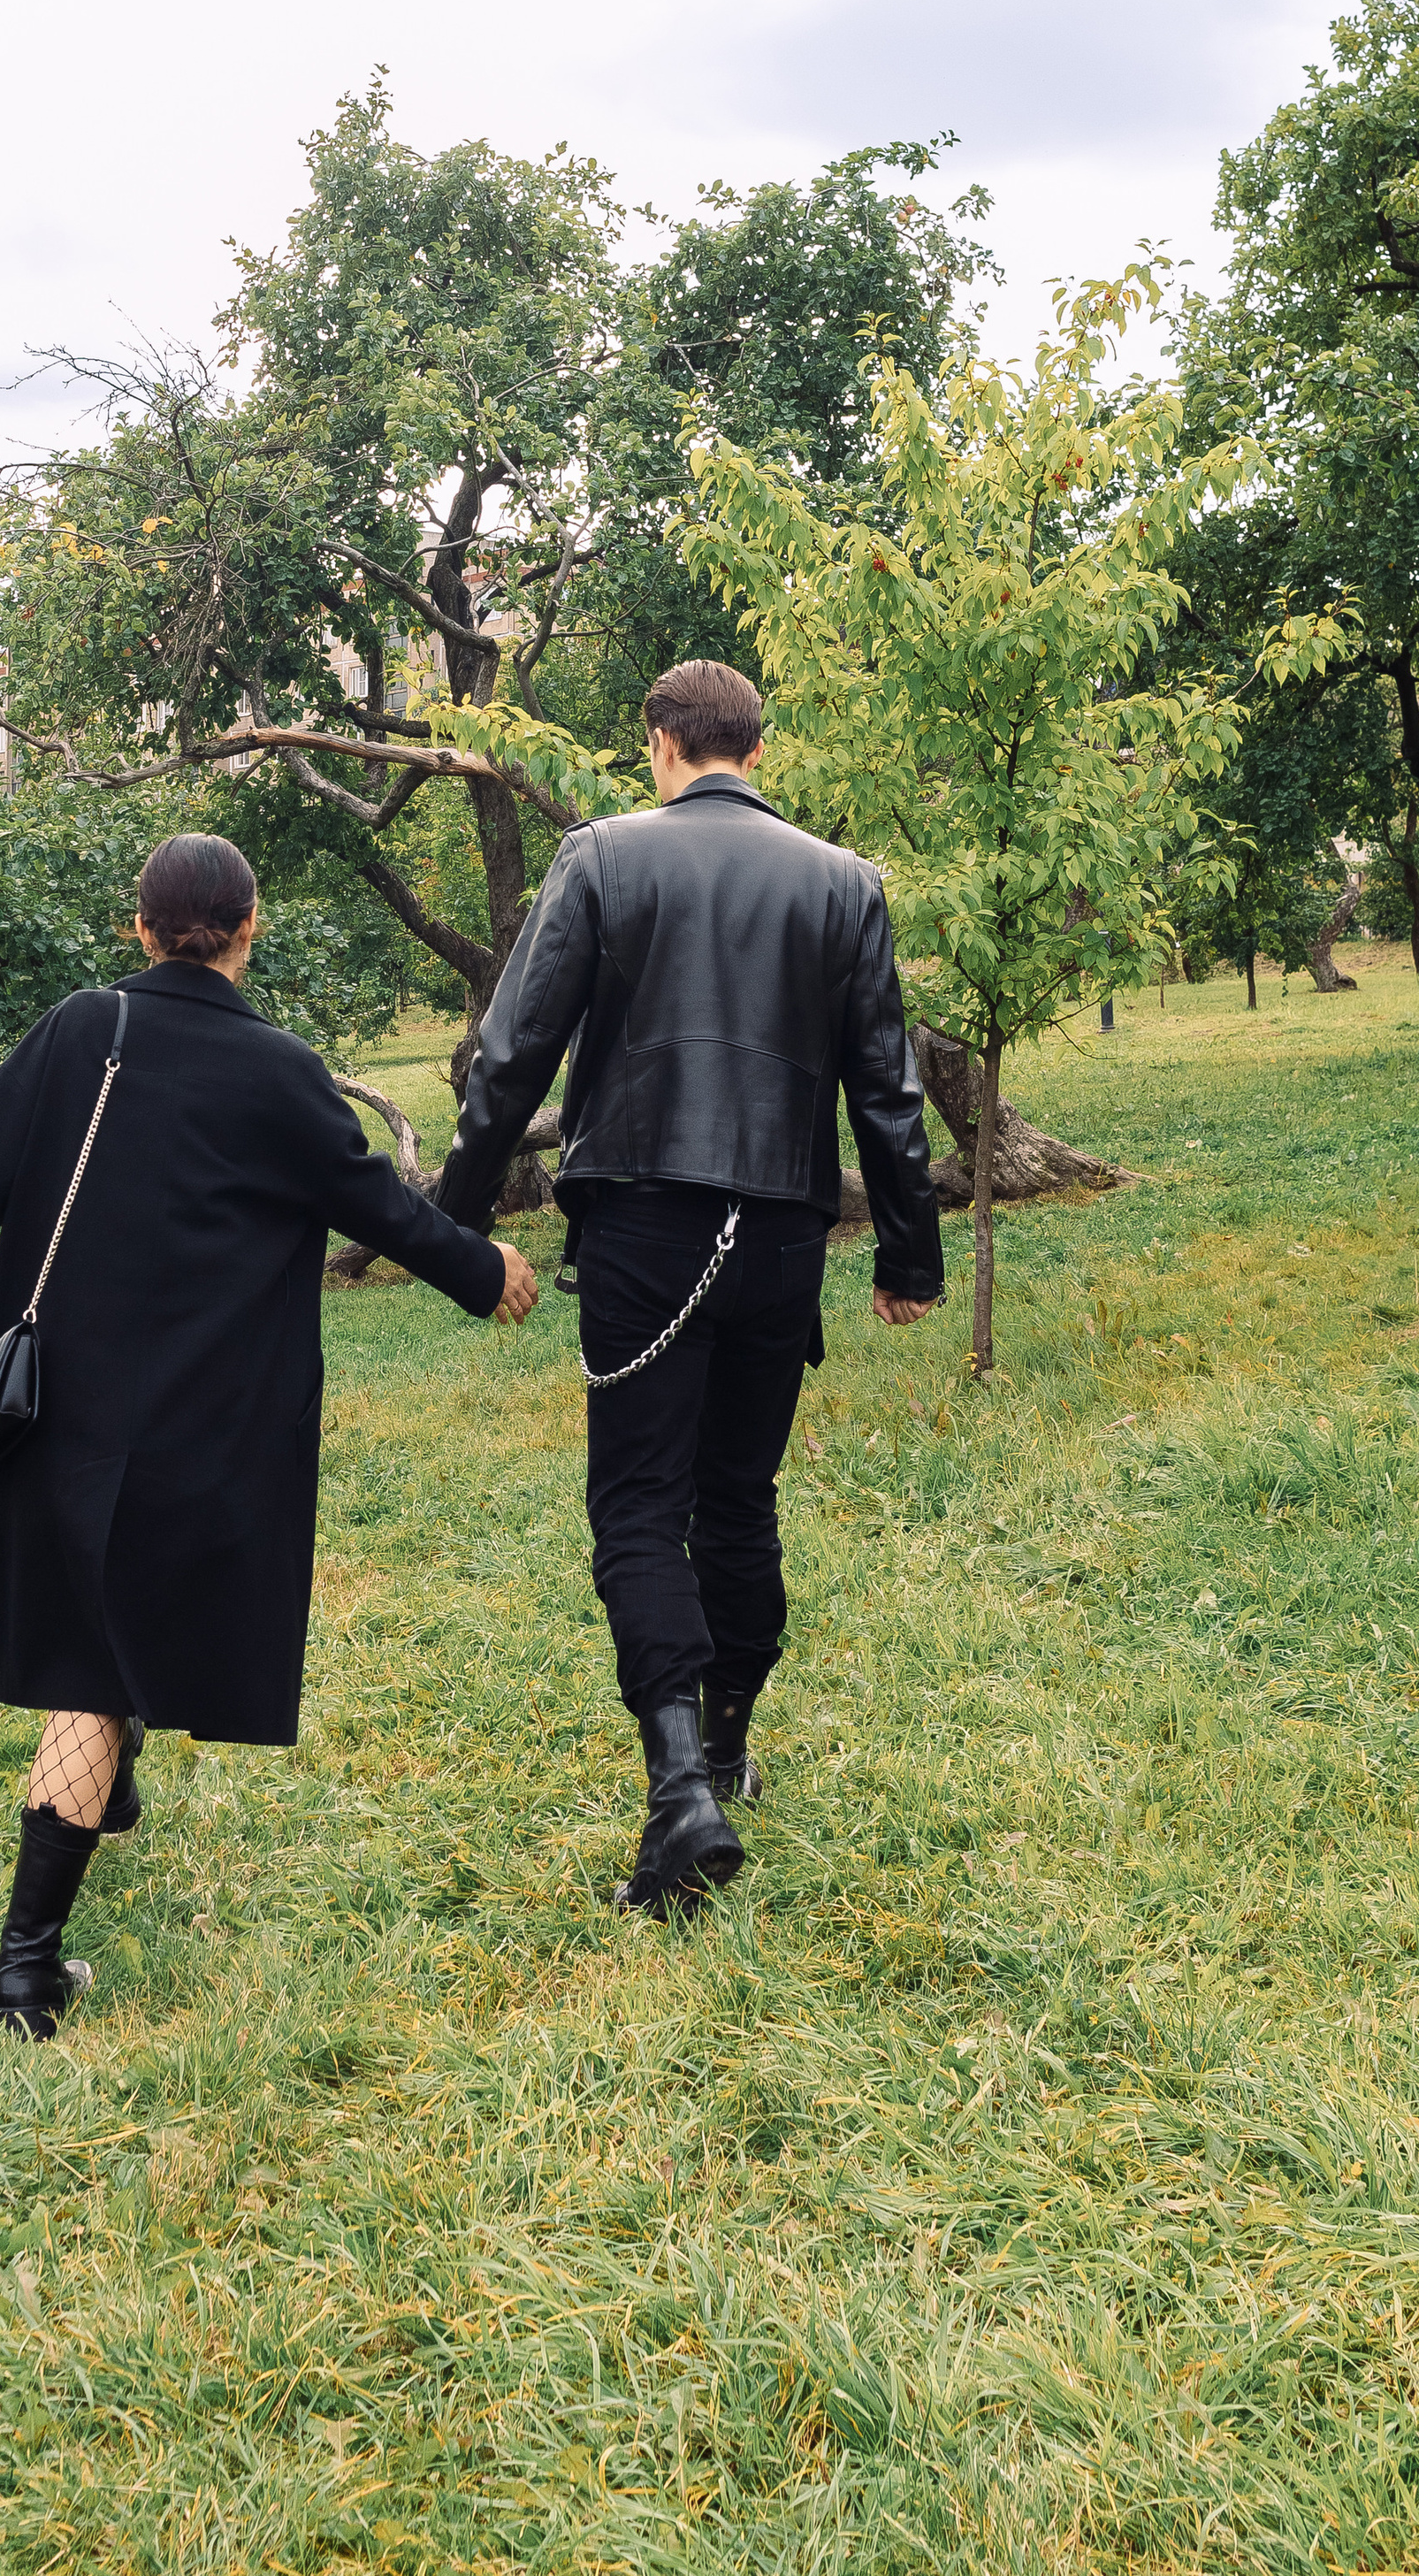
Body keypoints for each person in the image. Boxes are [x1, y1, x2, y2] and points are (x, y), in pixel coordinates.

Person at [0, 829, 538, 2034]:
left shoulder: (82, 1027)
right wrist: (482, 1270)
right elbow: (380, 1209)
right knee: (91, 1669)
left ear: (139, 927)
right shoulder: (281, 1071)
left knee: (97, 1629)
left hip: (50, 1405)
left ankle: (102, 1793)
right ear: (252, 927)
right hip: (198, 1425)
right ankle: (28, 1970)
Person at [435, 660, 942, 1915]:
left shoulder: (603, 858)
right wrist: (910, 1254)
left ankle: (680, 1792)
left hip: (645, 1229)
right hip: (777, 1229)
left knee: (640, 1505)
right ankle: (724, 1746)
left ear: (661, 743)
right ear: (753, 747)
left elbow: (514, 1054)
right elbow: (887, 1087)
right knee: (740, 1498)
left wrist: (447, 1216)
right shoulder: (846, 883)